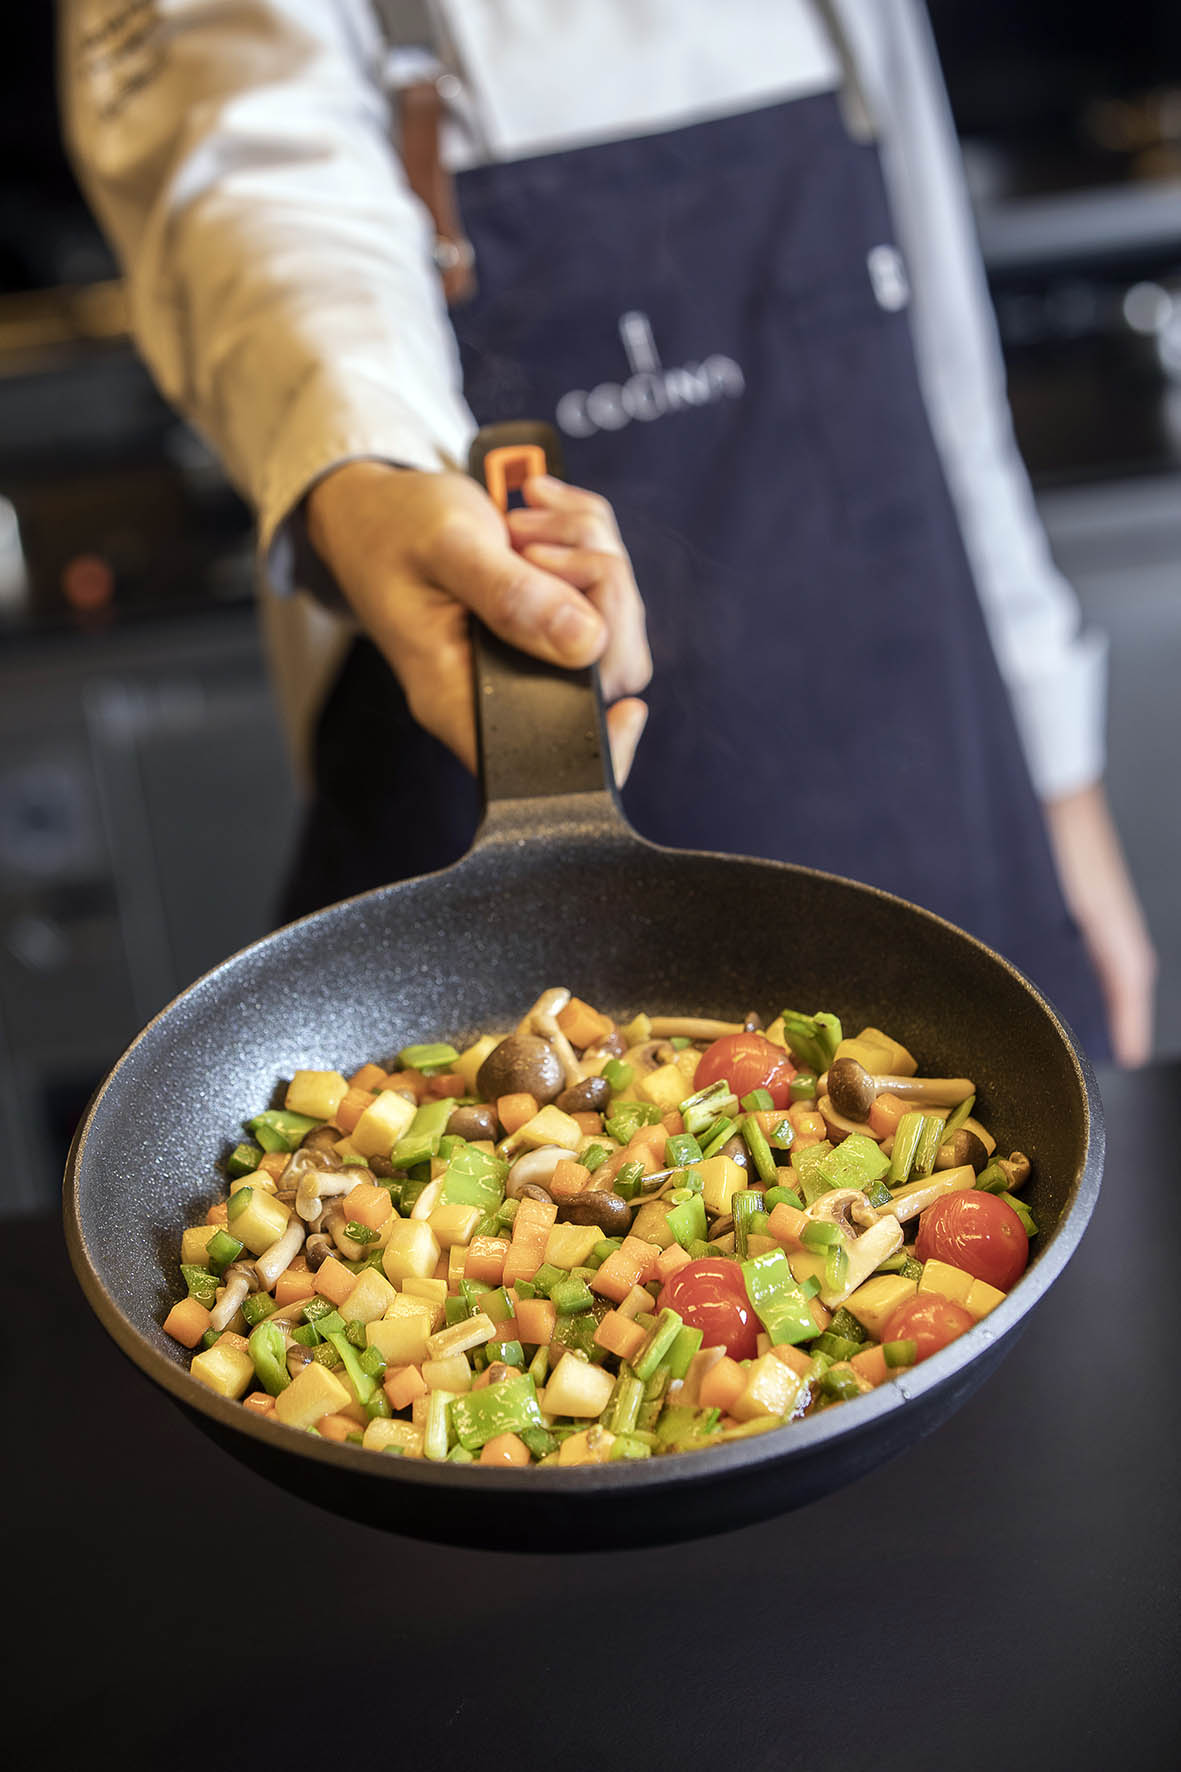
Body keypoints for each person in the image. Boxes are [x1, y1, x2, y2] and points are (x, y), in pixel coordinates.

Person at [61, 0, 1156, 1063]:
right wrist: (370, 477)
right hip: (496, 876)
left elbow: (940, 368)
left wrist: (1060, 783)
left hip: (949, 810)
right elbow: (253, 180)